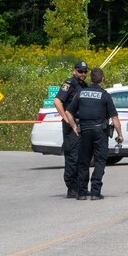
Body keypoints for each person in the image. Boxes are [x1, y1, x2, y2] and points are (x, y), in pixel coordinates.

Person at [64, 67, 123, 200]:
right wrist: (120, 134)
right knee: (100, 161)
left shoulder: (81, 93)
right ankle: (95, 192)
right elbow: (114, 118)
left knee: (83, 162)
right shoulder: (105, 95)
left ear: (90, 78)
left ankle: (82, 193)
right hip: (100, 132)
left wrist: (74, 126)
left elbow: (68, 112)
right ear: (102, 79)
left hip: (84, 131)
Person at [54, 60, 88, 198]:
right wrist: (67, 119)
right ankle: (72, 187)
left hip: (82, 124)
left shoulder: (84, 85)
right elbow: (57, 101)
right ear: (74, 71)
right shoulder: (69, 84)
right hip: (71, 124)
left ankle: (81, 187)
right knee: (72, 156)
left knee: (82, 157)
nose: (83, 74)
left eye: (85, 72)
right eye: (80, 71)